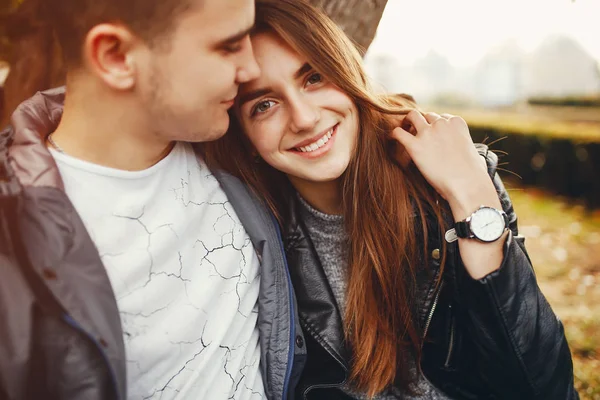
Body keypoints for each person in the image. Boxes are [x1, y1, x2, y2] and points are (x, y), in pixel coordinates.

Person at [202, 0, 579, 399]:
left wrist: (471, 195)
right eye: (264, 104)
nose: (304, 118)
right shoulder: (252, 233)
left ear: (346, 72)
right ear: (244, 136)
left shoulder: (445, 184)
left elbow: (542, 386)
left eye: (314, 78)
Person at [0, 0, 308, 399]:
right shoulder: (13, 236)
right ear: (115, 56)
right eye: (229, 46)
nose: (251, 69)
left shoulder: (235, 143)